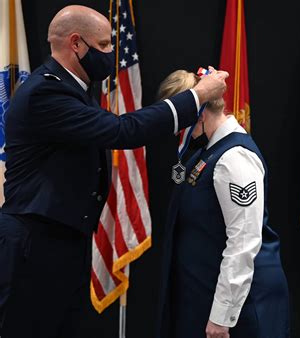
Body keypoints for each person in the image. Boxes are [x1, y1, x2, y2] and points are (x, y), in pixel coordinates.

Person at [0, 5, 228, 338]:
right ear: (77, 44)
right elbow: (123, 131)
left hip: (61, 242)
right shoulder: (47, 92)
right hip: (34, 246)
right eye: (105, 44)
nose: (110, 53)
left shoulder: (75, 88)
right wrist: (198, 95)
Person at [155, 70, 290, 338]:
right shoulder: (208, 151)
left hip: (241, 311)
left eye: (180, 123)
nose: (178, 134)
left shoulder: (234, 159)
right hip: (203, 297)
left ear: (199, 114)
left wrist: (221, 316)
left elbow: (243, 243)